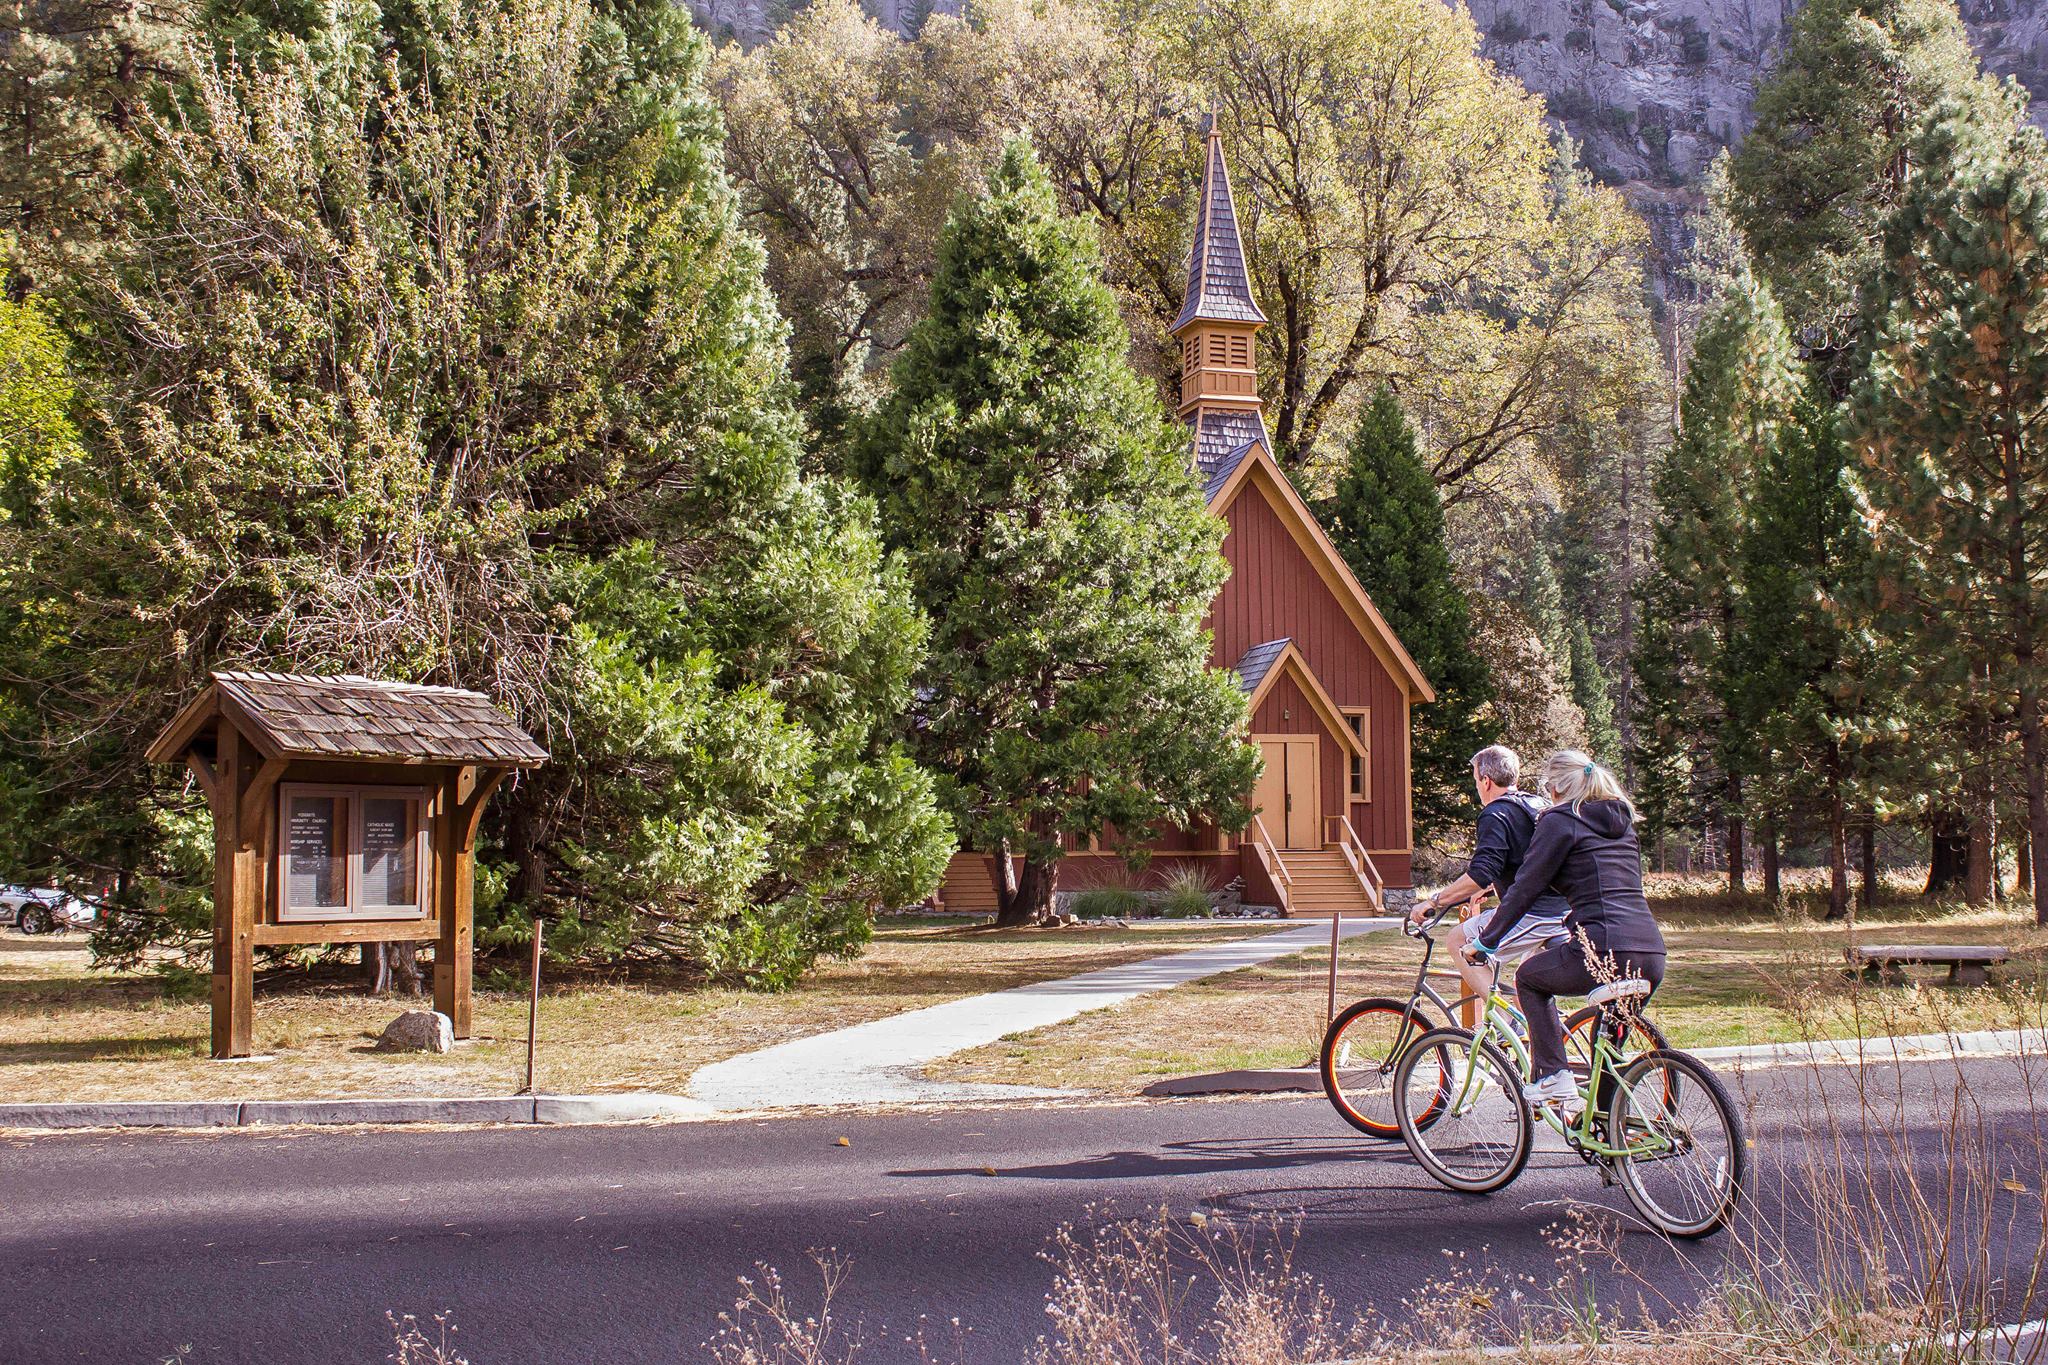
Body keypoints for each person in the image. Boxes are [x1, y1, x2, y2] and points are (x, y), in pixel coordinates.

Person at [1466, 749, 1667, 1108]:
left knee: (1529, 978)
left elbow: (1524, 889)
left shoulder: (1558, 821)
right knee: (1607, 1045)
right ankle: (1609, 1127)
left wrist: (1486, 942)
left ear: (1555, 788)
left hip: (1603, 949)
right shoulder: (1623, 825)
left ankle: (1552, 1076)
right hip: (1651, 952)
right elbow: (1597, 879)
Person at [1409, 745, 1572, 1017]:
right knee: (1524, 979)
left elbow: (1482, 870)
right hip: (1565, 911)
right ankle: (1538, 1033)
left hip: (1535, 914)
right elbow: (1524, 860)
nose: (1477, 786)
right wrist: (1485, 887)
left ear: (1485, 781)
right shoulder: (1538, 805)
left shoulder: (1496, 813)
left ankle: (1508, 1023)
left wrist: (1434, 901)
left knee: (1458, 941)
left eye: (1476, 780)